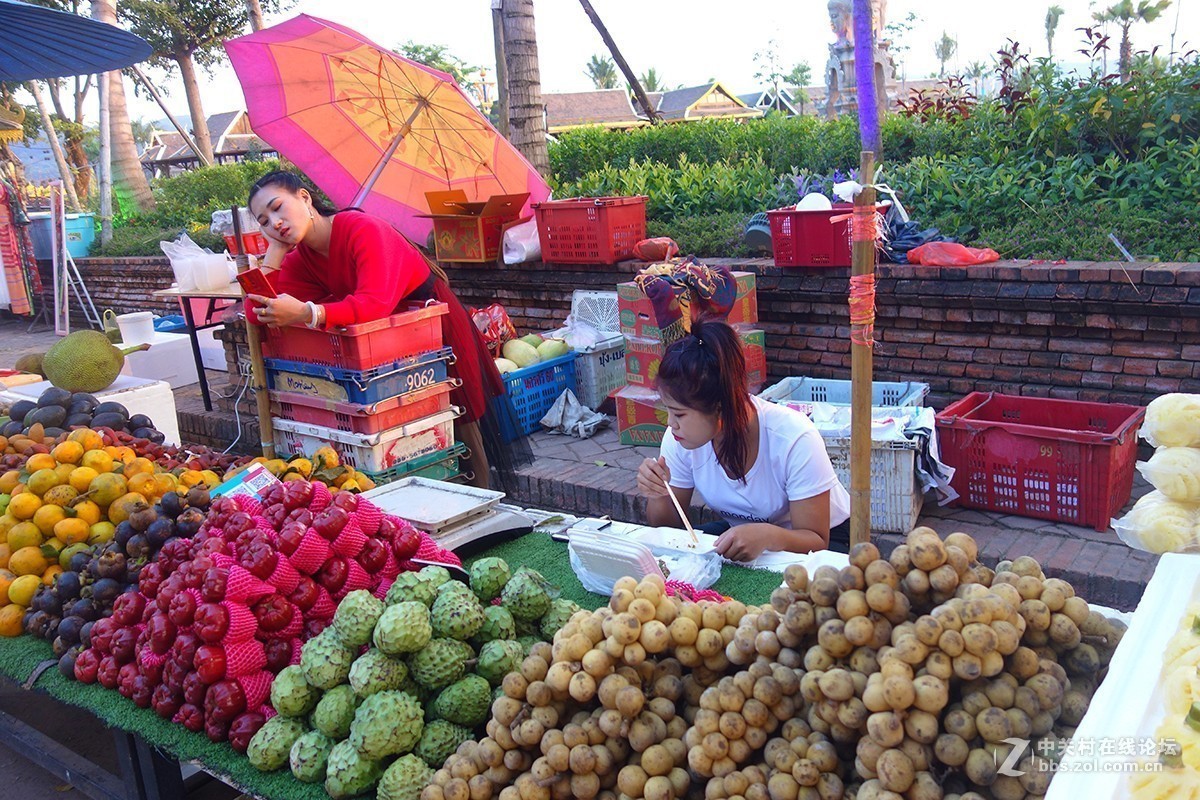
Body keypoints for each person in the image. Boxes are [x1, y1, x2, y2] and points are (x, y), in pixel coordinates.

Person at [245, 170, 529, 489]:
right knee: (412, 436)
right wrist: (274, 254)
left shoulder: (362, 229)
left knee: (457, 425)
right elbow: (256, 314)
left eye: (277, 207)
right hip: (387, 344)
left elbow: (373, 303)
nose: (275, 222)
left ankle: (482, 506)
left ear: (304, 198)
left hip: (434, 326)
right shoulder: (301, 259)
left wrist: (308, 312)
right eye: (264, 221)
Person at [636, 320, 851, 560]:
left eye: (679, 414)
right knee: (688, 556)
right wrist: (658, 494)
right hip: (747, 534)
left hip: (822, 539)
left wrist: (768, 536)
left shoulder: (793, 437)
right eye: (668, 410)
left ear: (720, 407)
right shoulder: (679, 438)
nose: (670, 423)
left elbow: (817, 541)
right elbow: (669, 531)